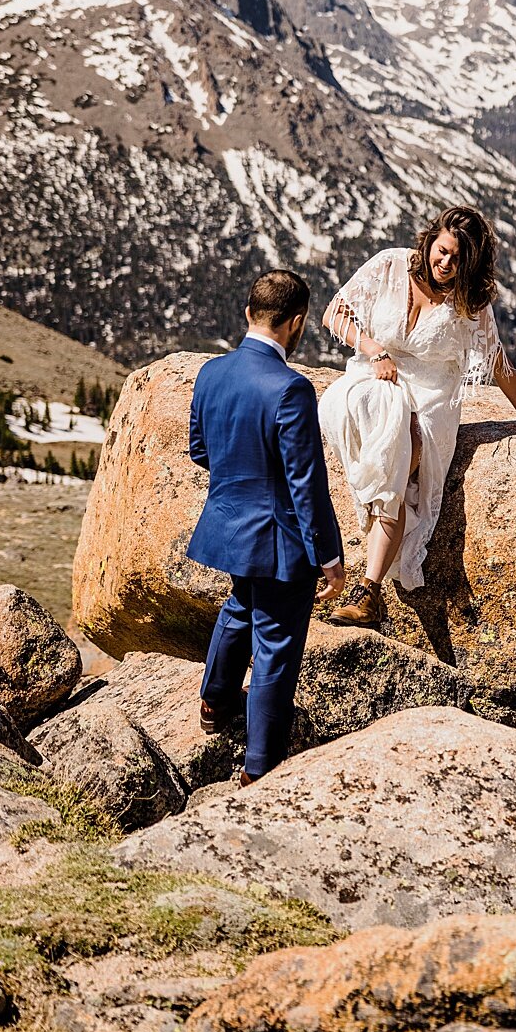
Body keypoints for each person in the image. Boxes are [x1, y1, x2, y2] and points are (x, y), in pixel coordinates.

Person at [318, 205, 516, 631]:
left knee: (405, 450)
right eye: (443, 251)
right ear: (430, 240)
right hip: (375, 377)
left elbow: (497, 361)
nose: (447, 264)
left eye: (458, 259)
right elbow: (334, 315)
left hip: (431, 397)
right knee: (385, 419)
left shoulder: (469, 301)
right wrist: (375, 349)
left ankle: (368, 588)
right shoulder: (390, 265)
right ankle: (369, 589)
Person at [188, 268, 346, 788]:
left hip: (229, 526)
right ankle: (261, 767)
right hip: (278, 539)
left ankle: (214, 703)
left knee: (240, 606)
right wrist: (328, 554)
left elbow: (200, 450)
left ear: (248, 313)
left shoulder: (211, 372)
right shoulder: (291, 388)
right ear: (296, 323)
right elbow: (306, 483)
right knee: (277, 641)